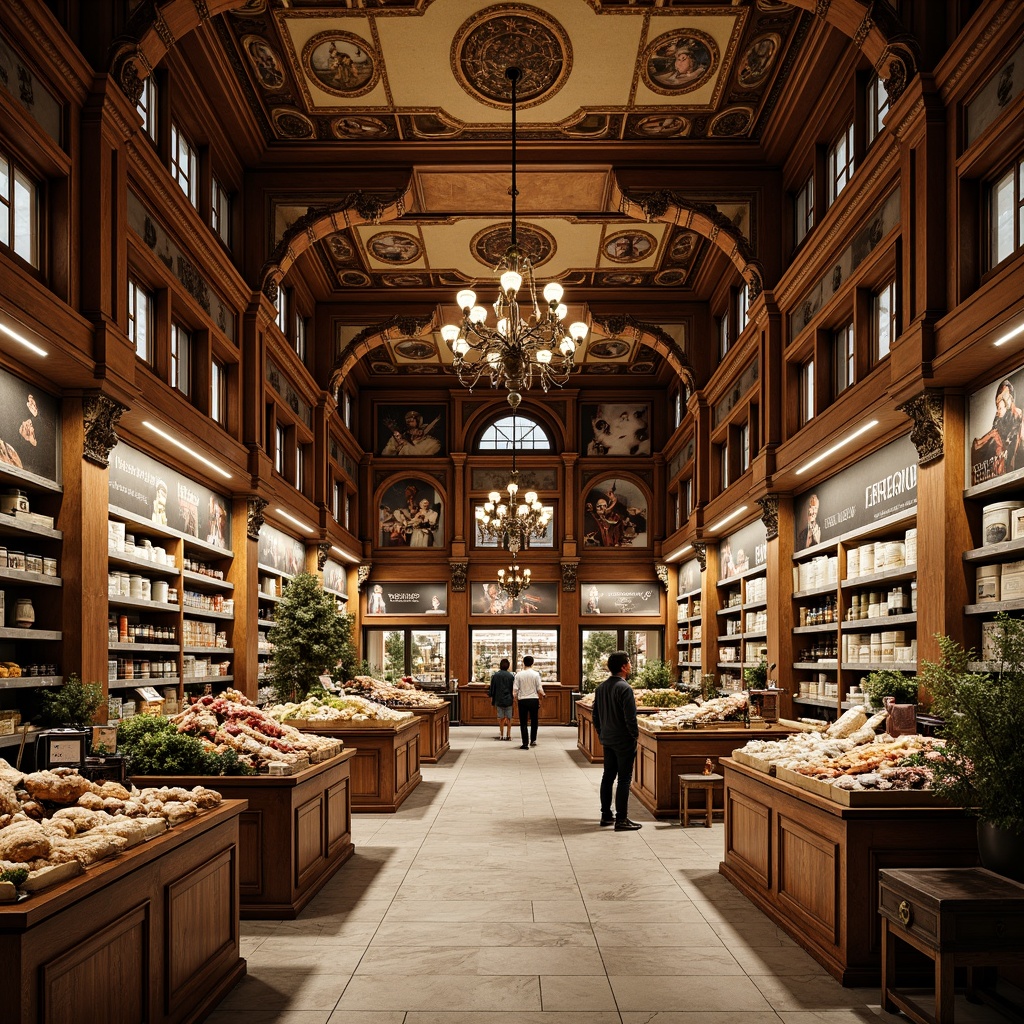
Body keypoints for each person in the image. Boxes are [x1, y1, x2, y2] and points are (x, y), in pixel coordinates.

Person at [591, 650, 642, 830]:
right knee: (624, 779)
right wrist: (634, 735)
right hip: (623, 740)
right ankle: (622, 819)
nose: (631, 665)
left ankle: (606, 815)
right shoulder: (625, 688)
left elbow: (595, 715)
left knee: (608, 776)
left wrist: (601, 733)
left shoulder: (601, 688)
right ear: (623, 667)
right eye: (629, 662)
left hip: (608, 739)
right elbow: (630, 718)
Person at [972, 378, 1024, 477]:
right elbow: (993, 432)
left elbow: (1018, 437)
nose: (1004, 397)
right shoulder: (998, 417)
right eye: (1001, 394)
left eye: (1007, 394)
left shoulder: (1017, 414)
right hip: (1000, 457)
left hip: (1014, 457)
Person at [513, 655, 544, 749]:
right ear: (532, 663)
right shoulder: (536, 674)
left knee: (523, 722)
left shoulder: (518, 675)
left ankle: (525, 743)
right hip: (534, 699)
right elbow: (539, 688)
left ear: (523, 663)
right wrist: (543, 695)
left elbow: (515, 690)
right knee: (534, 720)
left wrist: (515, 699)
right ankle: (533, 740)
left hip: (522, 700)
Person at [488, 657, 515, 741]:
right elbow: (513, 688)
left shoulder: (495, 675)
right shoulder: (511, 676)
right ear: (508, 666)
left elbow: (492, 688)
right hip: (509, 699)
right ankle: (509, 734)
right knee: (509, 717)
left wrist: (491, 697)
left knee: (501, 717)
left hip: (498, 699)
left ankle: (501, 734)